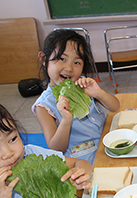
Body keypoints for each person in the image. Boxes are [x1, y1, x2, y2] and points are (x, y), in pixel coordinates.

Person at [32, 29, 120, 165]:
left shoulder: (83, 84)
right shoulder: (44, 106)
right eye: (62, 59)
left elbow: (115, 106)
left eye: (77, 62)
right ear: (44, 59)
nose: (69, 68)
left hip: (107, 145)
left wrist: (99, 93)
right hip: (84, 160)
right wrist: (66, 120)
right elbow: (56, 148)